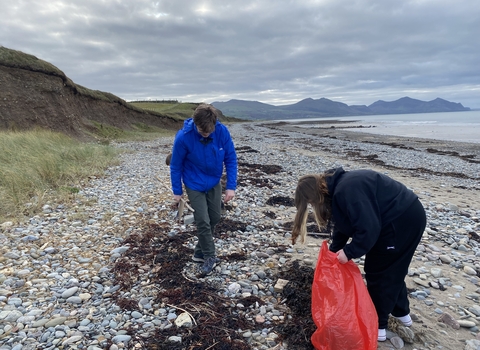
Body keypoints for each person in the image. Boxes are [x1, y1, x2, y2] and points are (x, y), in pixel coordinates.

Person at [292, 167, 426, 342]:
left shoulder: (346, 190)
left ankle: (379, 325)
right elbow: (344, 224)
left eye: (311, 203)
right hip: (406, 214)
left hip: (401, 220)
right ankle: (403, 315)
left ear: (315, 196)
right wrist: (333, 251)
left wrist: (349, 252)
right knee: (394, 268)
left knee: (378, 271)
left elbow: (369, 228)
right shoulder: (338, 188)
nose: (313, 207)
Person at [170, 104, 237, 275]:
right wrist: (177, 191)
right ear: (195, 123)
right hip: (193, 183)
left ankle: (198, 253)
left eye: (209, 131)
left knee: (215, 217)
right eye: (202, 131)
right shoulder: (183, 137)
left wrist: (231, 187)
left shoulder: (222, 132)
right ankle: (209, 256)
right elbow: (176, 166)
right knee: (202, 220)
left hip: (214, 181)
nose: (206, 134)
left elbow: (230, 159)